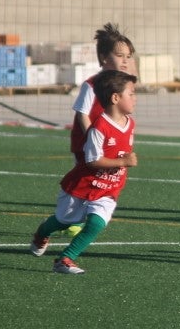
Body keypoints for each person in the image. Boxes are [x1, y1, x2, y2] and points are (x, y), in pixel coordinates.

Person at [29, 69, 138, 274]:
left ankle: (65, 259)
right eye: (131, 94)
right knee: (64, 220)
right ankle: (43, 231)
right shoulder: (99, 128)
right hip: (82, 185)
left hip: (108, 189)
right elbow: (92, 160)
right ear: (115, 97)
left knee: (96, 223)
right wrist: (122, 161)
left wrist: (120, 168)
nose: (135, 98)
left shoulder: (130, 123)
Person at [66, 23, 136, 236]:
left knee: (105, 181)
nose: (125, 60)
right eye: (120, 55)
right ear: (104, 58)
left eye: (128, 56)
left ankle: (90, 215)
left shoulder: (123, 86)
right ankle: (72, 217)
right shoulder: (92, 84)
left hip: (109, 145)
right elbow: (82, 113)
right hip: (88, 144)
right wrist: (91, 139)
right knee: (86, 180)